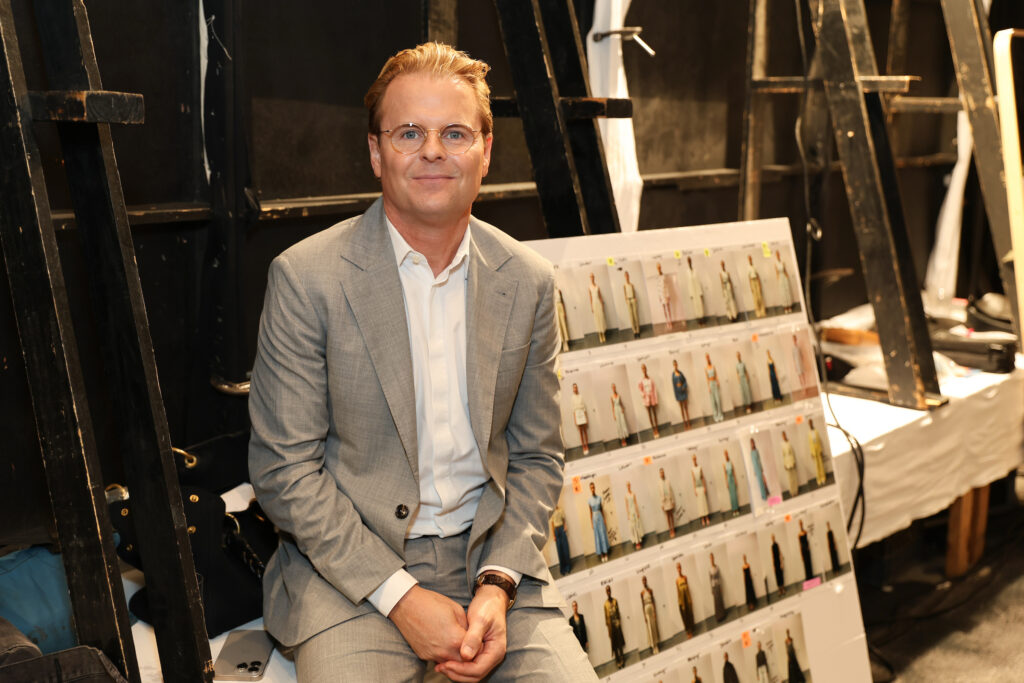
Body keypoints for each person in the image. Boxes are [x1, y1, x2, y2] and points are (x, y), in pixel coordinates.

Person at [248, 42, 594, 682]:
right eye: (409, 132)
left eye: (454, 133)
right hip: (350, 576)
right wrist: (400, 596)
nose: (433, 151)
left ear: (486, 152)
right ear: (376, 152)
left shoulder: (529, 281)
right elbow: (283, 469)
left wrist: (496, 586)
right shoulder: (308, 279)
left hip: (492, 567)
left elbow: (538, 456)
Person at [603, 585, 626, 669]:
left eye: (609, 590)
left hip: (617, 625)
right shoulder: (605, 604)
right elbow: (606, 618)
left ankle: (622, 659)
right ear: (606, 592)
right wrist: (609, 630)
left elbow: (618, 613)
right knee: (614, 645)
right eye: (607, 591)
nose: (608, 592)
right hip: (611, 627)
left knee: (620, 643)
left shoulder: (615, 601)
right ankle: (617, 661)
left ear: (611, 591)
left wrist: (619, 623)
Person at [588, 482, 610, 563]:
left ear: (595, 488)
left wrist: (604, 519)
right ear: (590, 489)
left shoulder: (599, 498)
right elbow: (590, 512)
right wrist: (591, 523)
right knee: (597, 536)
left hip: (600, 517)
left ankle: (606, 553)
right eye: (591, 488)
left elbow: (601, 509)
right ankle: (601, 554)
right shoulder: (589, 500)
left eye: (593, 487)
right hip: (594, 518)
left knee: (602, 534)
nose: (593, 489)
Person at [638, 363, 660, 438]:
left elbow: (654, 389)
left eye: (645, 368)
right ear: (641, 370)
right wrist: (643, 395)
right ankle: (653, 430)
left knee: (654, 413)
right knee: (649, 415)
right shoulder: (641, 380)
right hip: (646, 399)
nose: (644, 369)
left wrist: (656, 400)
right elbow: (640, 389)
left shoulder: (651, 379)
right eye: (642, 368)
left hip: (652, 398)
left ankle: (657, 429)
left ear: (646, 369)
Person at [639, 575, 660, 654]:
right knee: (649, 628)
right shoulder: (642, 593)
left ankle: (656, 645)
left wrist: (654, 612)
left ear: (646, 581)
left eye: (645, 580)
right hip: (646, 610)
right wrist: (644, 615)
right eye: (643, 580)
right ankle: (653, 646)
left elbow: (653, 602)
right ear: (642, 582)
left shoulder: (650, 590)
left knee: (654, 627)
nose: (644, 581)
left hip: (651, 608)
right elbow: (642, 604)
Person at [675, 562, 695, 637]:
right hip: (682, 601)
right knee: (684, 616)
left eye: (680, 567)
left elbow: (688, 589)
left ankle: (692, 629)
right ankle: (688, 632)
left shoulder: (685, 578)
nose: (679, 569)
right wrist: (679, 602)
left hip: (687, 599)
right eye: (678, 568)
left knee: (689, 614)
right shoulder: (677, 581)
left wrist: (690, 599)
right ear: (677, 569)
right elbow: (678, 592)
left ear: (681, 568)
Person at [551, 505, 572, 576]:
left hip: (561, 529)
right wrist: (553, 535)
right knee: (559, 550)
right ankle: (562, 569)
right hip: (556, 531)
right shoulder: (551, 512)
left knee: (565, 549)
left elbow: (564, 520)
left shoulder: (560, 510)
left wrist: (565, 526)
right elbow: (552, 524)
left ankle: (568, 567)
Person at [571, 383, 590, 455]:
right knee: (580, 432)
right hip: (577, 414)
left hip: (582, 413)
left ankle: (587, 445)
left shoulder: (581, 396)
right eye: (574, 388)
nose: (575, 389)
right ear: (573, 389)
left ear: (577, 388)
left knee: (585, 431)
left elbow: (584, 408)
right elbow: (573, 410)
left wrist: (586, 417)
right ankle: (583, 447)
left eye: (576, 387)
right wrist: (575, 419)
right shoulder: (572, 398)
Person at [658, 467, 676, 538]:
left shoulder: (668, 481)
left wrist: (673, 501)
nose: (662, 473)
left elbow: (671, 491)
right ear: (659, 474)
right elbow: (660, 494)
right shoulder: (659, 483)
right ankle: (670, 530)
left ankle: (673, 528)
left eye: (663, 472)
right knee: (667, 516)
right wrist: (661, 504)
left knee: (671, 515)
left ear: (664, 472)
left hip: (669, 499)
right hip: (664, 501)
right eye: (661, 472)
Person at [672, 359, 691, 428]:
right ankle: (684, 423)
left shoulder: (680, 373)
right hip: (678, 394)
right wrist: (676, 396)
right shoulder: (673, 375)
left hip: (683, 392)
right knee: (681, 409)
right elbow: (674, 386)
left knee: (686, 408)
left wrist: (683, 386)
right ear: (673, 365)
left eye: (676, 364)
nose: (675, 365)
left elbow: (685, 381)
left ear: (677, 364)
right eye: (674, 364)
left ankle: (688, 422)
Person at [610, 383, 630, 448]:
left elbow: (621, 403)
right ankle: (622, 440)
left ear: (615, 387)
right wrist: (614, 415)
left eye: (614, 387)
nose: (614, 388)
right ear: (611, 388)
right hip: (616, 410)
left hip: (620, 409)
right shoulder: (611, 397)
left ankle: (624, 438)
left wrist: (623, 408)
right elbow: (612, 406)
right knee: (618, 424)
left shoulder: (619, 395)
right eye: (612, 387)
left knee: (623, 423)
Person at [623, 271, 640, 336]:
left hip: (633, 299)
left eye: (627, 275)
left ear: (629, 276)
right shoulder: (624, 286)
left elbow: (634, 292)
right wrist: (626, 300)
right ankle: (634, 331)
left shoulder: (632, 285)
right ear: (624, 277)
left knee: (635, 315)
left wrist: (635, 298)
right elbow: (624, 294)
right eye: (625, 276)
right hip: (628, 300)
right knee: (631, 316)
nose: (627, 277)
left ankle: (638, 330)